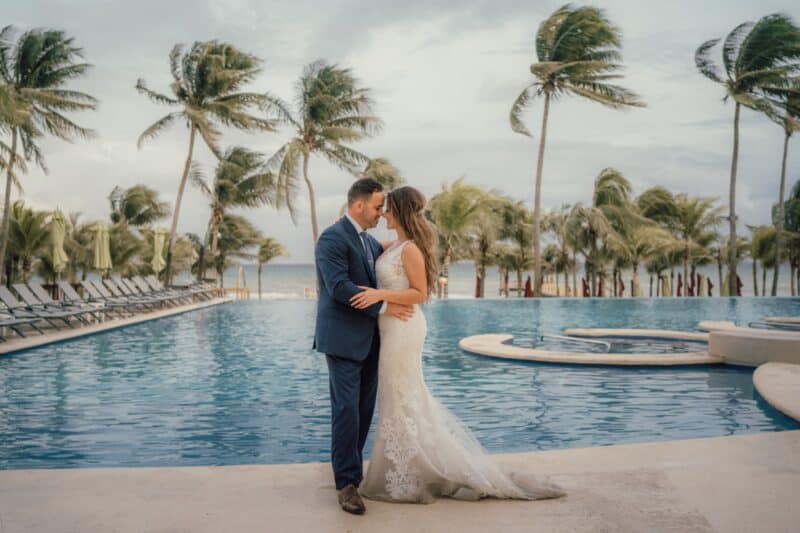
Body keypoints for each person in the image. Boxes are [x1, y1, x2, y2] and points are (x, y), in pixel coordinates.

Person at [350, 186, 564, 504]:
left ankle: (410, 473)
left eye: (388, 209)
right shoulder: (392, 245)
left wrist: (381, 295)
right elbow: (363, 249)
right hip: (391, 328)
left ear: (400, 211)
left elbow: (420, 293)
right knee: (400, 398)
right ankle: (409, 467)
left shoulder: (409, 249)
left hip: (405, 329)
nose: (383, 215)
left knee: (403, 396)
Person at [314, 178, 414, 515]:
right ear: (358, 206)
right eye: (376, 207)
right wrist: (385, 307)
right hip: (342, 340)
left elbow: (383, 257)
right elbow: (339, 286)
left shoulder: (368, 242)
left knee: (363, 411)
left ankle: (351, 473)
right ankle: (346, 485)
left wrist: (404, 243)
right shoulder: (331, 238)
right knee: (346, 411)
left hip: (373, 341)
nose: (380, 212)